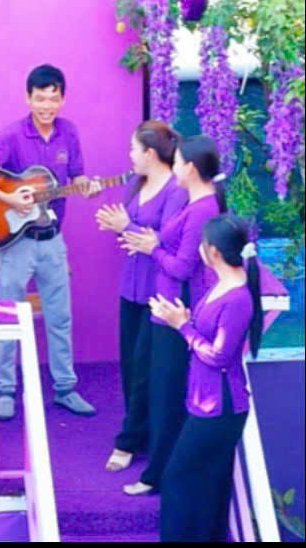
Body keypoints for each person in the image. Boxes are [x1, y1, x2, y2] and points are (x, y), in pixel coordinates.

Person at [0, 63, 101, 420]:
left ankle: (65, 388)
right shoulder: (12, 135)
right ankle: (5, 390)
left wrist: (87, 187)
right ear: (28, 98)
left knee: (60, 316)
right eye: (40, 98)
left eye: (53, 98)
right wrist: (6, 198)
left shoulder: (69, 132)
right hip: (16, 242)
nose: (46, 106)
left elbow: (78, 177)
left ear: (62, 100)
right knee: (10, 315)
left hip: (53, 239)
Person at [119, 134, 225, 496]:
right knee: (158, 387)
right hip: (165, 307)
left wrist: (152, 247)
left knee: (166, 396)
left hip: (177, 310)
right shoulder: (195, 203)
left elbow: (182, 267)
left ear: (190, 168)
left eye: (177, 162)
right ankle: (160, 468)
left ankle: (158, 475)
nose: (173, 167)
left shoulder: (202, 209)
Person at [154, 214, 262, 541]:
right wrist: (184, 320)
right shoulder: (223, 283)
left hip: (220, 407)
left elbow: (219, 355)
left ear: (213, 251)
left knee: (178, 477)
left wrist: (181, 326)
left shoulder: (237, 297)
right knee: (210, 483)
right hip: (208, 401)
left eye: (202, 244)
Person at [95, 121, 188, 472]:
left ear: (150, 153)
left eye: (134, 149)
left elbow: (168, 240)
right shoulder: (136, 183)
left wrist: (127, 228)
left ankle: (127, 441)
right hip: (130, 286)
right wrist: (119, 227)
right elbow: (136, 236)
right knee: (129, 364)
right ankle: (141, 429)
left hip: (159, 291)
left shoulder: (176, 190)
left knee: (145, 370)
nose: (130, 155)